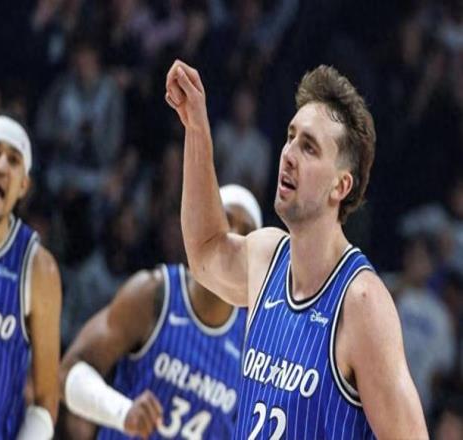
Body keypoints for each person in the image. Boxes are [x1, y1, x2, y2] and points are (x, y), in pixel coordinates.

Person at [165, 60, 428, 439]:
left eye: (309, 147)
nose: (288, 153)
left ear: (341, 186)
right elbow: (205, 252)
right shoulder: (267, 256)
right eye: (291, 137)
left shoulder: (362, 302)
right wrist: (196, 129)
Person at [60, 184, 262, 439]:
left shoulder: (253, 342)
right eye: (226, 220)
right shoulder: (154, 293)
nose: (234, 235)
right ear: (205, 223)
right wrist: (122, 411)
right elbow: (68, 372)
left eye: (246, 233)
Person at [0, 115, 62, 439]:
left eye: (14, 160)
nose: (2, 167)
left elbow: (46, 400)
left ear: (23, 186)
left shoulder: (39, 269)